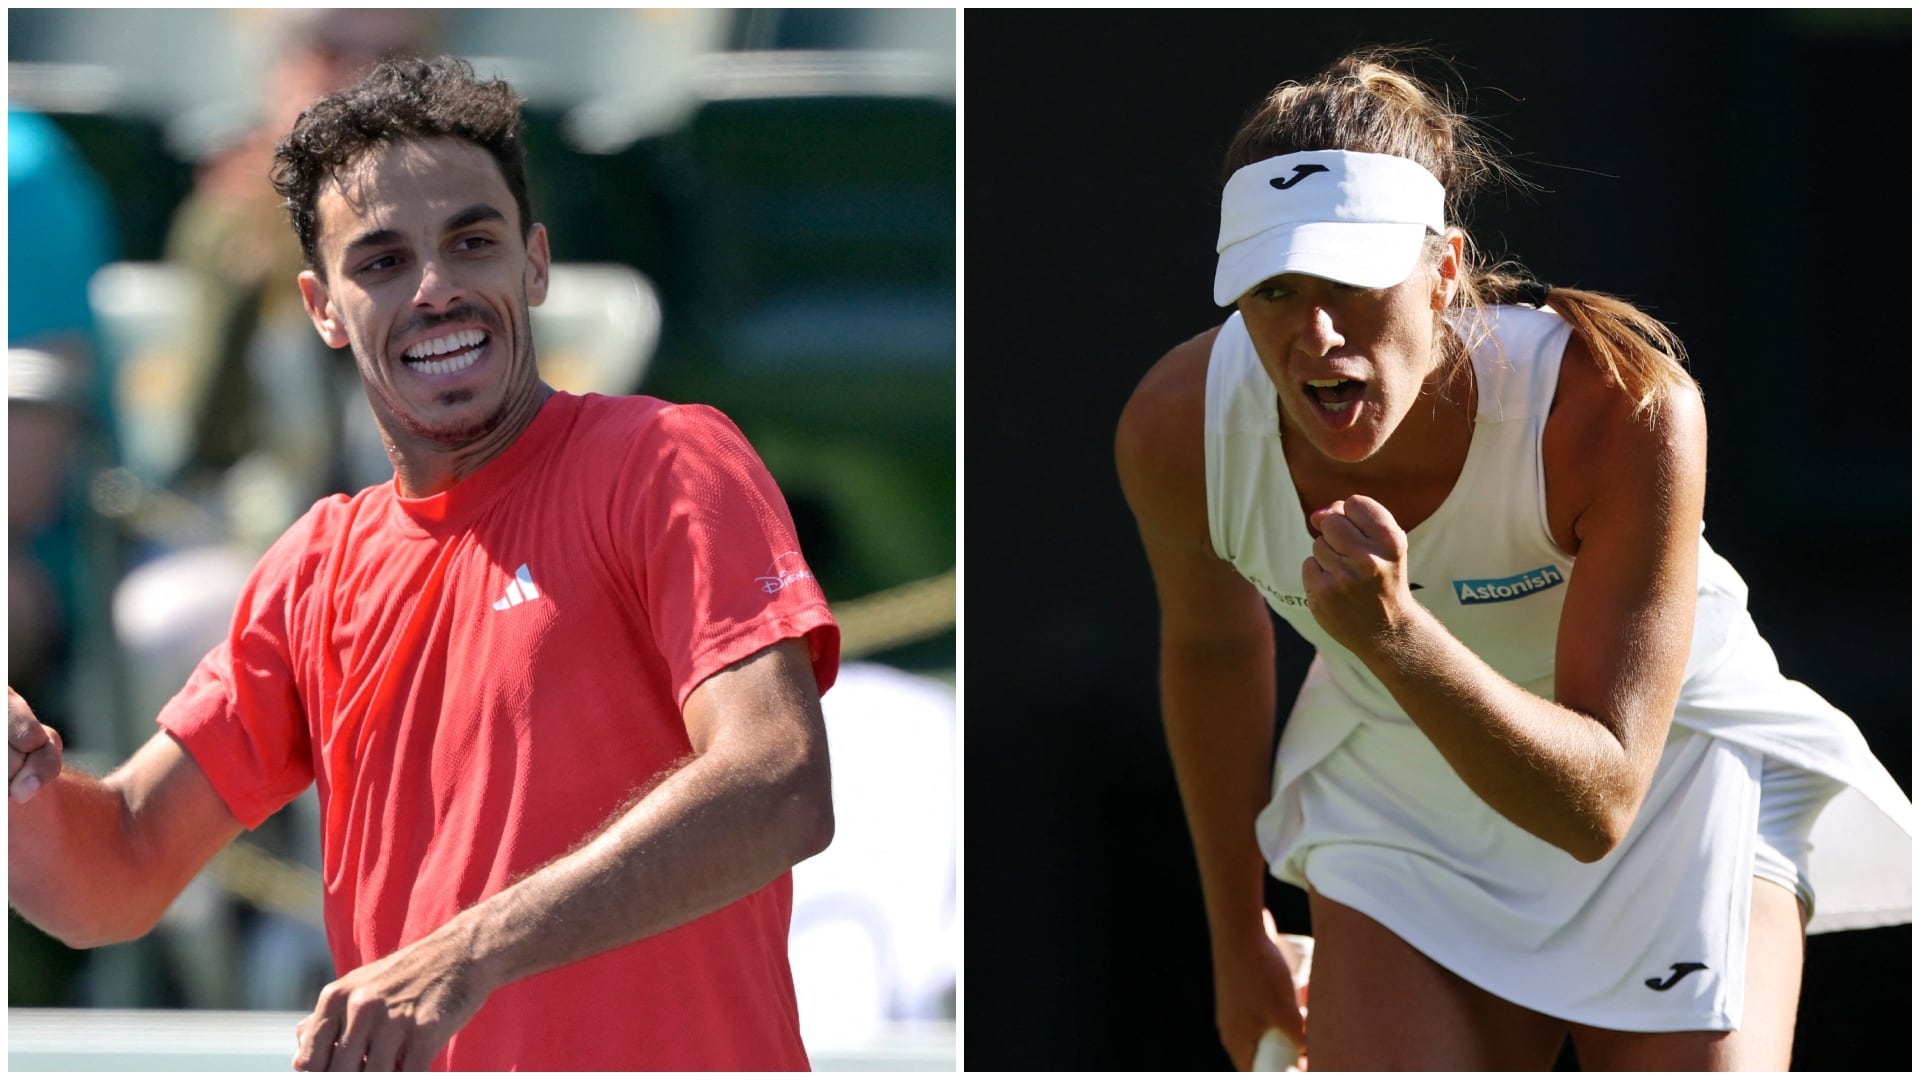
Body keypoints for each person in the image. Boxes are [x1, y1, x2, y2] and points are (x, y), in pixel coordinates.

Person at [8, 56, 838, 1071]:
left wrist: (468, 952)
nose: (437, 289)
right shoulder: (313, 569)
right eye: (382, 261)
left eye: (471, 242)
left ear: (535, 264)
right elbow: (117, 871)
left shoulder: (667, 461)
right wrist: (20, 796)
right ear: (321, 305)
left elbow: (778, 779)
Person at [1113, 48, 1910, 1071]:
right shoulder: (1178, 430)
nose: (1314, 332)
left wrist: (1397, 634)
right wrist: (1237, 938)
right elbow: (1214, 652)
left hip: (1671, 786)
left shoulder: (1624, 410)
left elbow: (1600, 805)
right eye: (1272, 290)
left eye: (1354, 281)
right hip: (1396, 805)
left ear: (1444, 269)